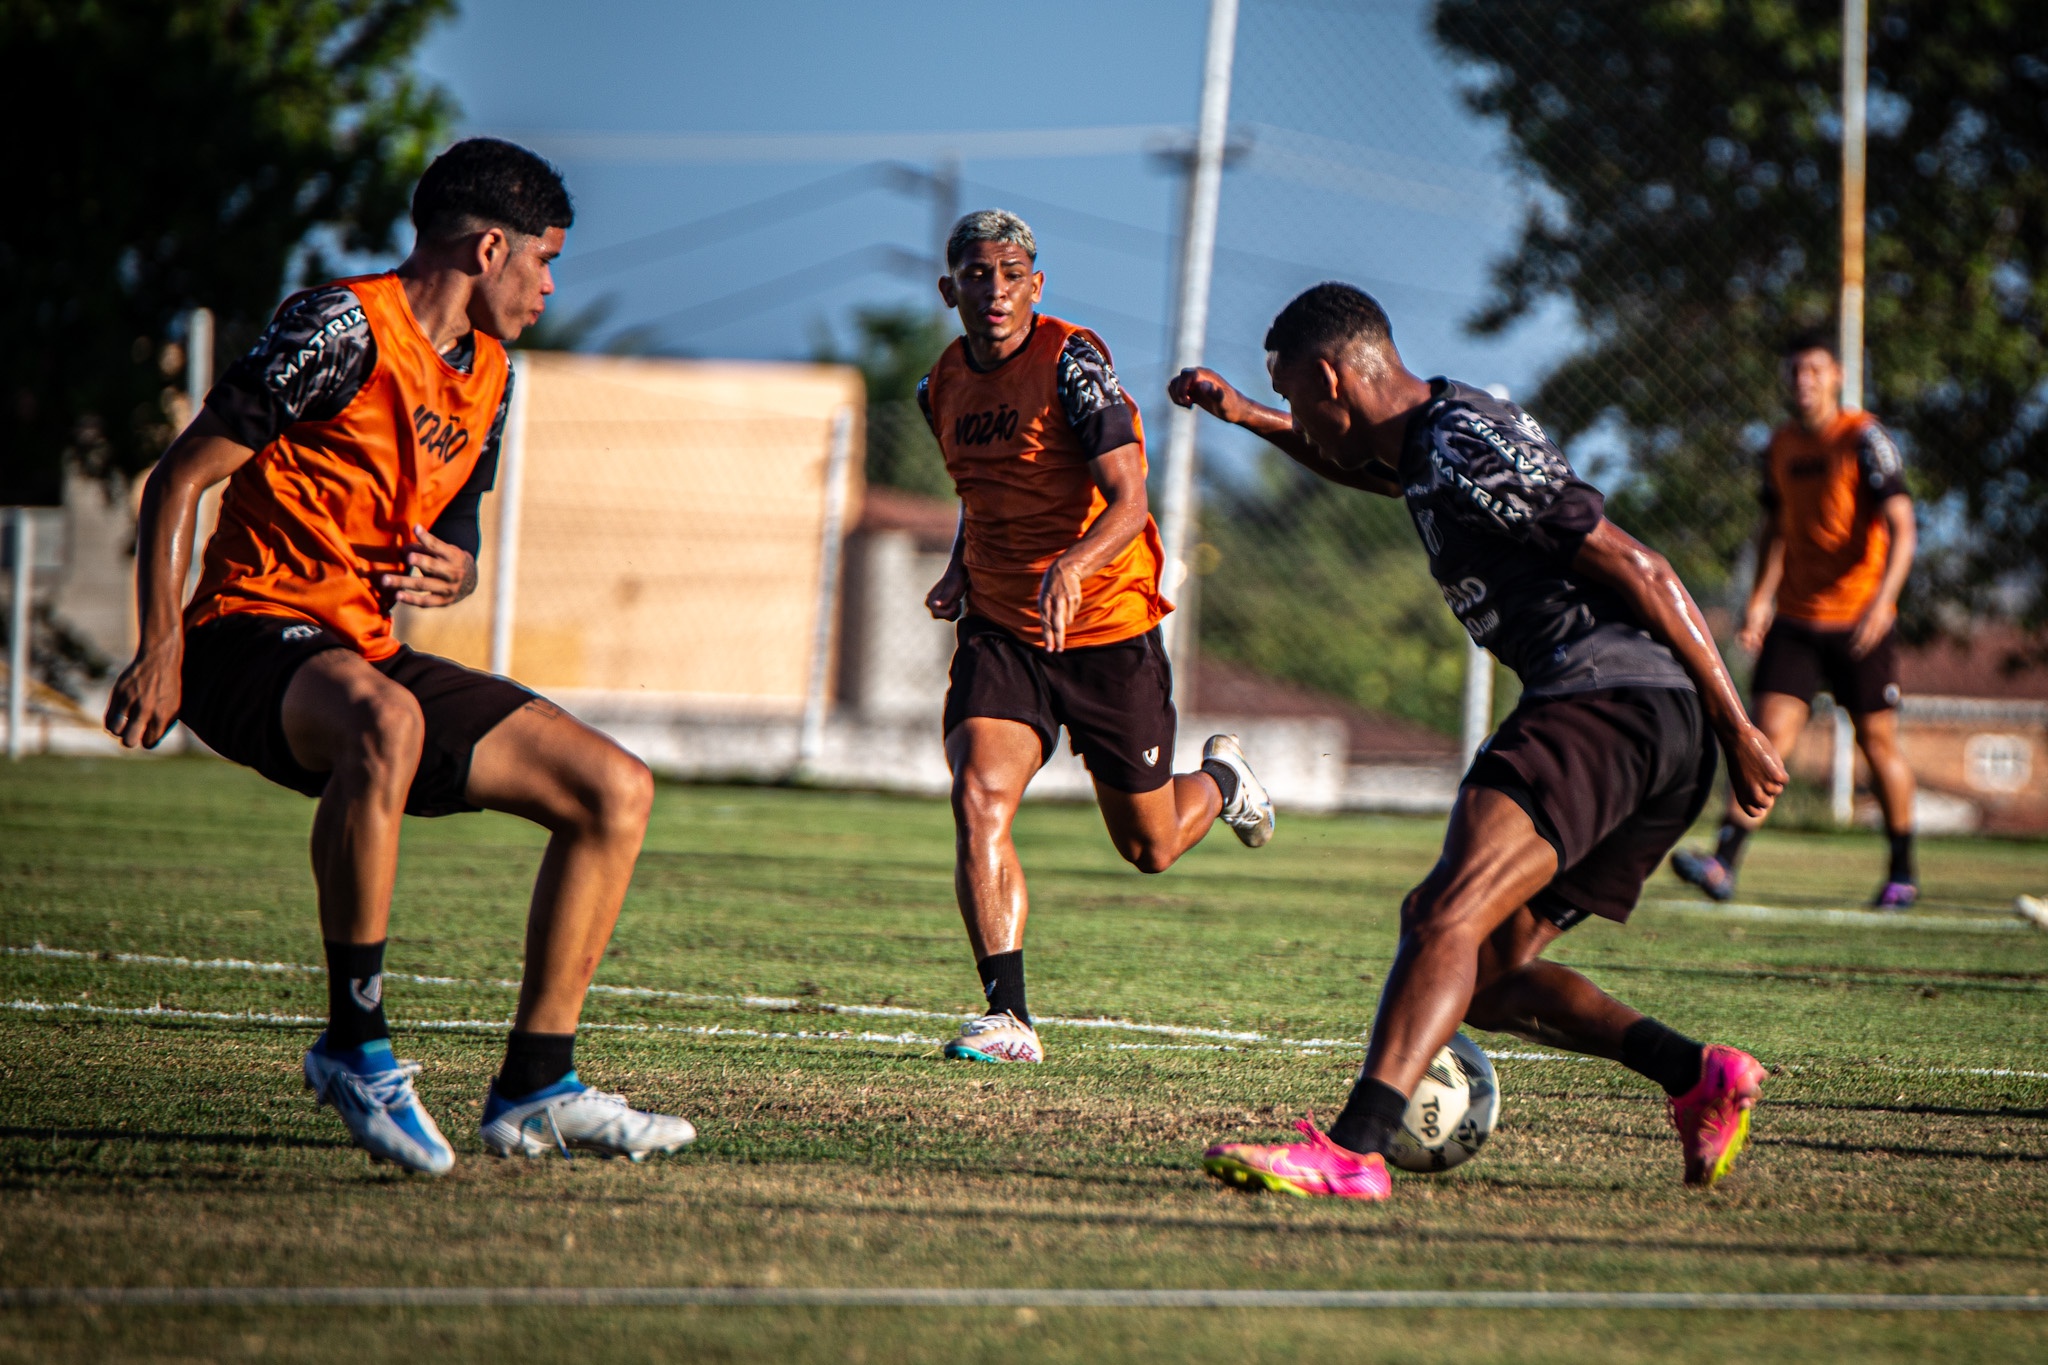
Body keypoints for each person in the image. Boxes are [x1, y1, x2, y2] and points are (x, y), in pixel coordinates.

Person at [103, 139, 695, 1175]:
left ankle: (534, 1088)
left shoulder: (494, 374)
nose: (551, 286)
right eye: (544, 261)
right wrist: (161, 647)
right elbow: (180, 478)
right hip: (247, 636)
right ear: (491, 247)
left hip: (363, 649)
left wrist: (455, 569)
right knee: (390, 721)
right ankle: (355, 1047)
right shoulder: (338, 327)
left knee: (616, 788)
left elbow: (456, 524)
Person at [1168, 283, 1787, 1199]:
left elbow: (1637, 563)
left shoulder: (1460, 444)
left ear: (1335, 380)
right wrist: (1250, 415)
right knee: (1486, 974)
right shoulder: (1422, 444)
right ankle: (1697, 1074)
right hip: (1648, 728)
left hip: (1607, 696)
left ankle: (1354, 1148)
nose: (1300, 415)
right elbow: (1366, 469)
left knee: (1439, 916)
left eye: (1299, 398)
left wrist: (1742, 725)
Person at [918, 210, 1274, 1064]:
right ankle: (1010, 1017)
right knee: (979, 795)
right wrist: (963, 564)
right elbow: (986, 486)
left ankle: (1222, 779)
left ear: (1035, 286)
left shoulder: (1074, 362)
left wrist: (1075, 564)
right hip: (1005, 627)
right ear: (949, 289)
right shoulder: (940, 386)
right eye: (976, 274)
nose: (994, 289)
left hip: (1108, 628)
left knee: (1148, 846)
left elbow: (1130, 500)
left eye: (1011, 273)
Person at [1672, 331, 1920, 909]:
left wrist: (1884, 602)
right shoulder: (1778, 445)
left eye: (1814, 370)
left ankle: (1902, 872)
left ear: (1836, 375)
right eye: (1794, 371)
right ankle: (1722, 862)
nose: (1803, 381)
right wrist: (1760, 597)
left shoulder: (1864, 438)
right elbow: (1776, 527)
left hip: (1861, 617)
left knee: (1877, 743)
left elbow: (1903, 526)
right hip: (1798, 618)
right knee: (1766, 736)